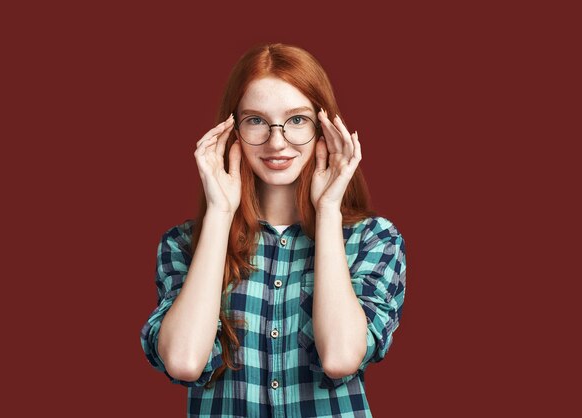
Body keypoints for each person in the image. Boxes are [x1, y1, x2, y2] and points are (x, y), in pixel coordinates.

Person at [140, 43, 407, 417]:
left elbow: (341, 357)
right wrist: (219, 211)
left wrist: (328, 209)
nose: (276, 142)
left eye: (297, 120)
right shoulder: (183, 244)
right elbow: (184, 360)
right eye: (256, 121)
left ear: (324, 129)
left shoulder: (373, 238)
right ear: (231, 130)